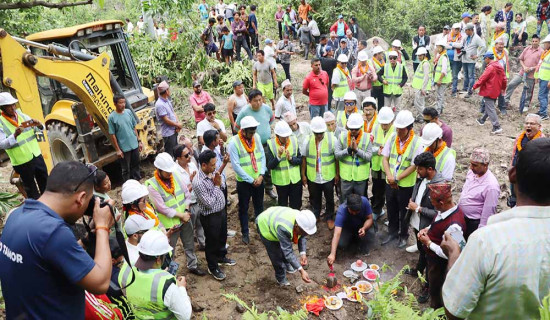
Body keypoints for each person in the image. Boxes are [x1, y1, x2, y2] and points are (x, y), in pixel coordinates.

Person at [442, 138, 550, 320]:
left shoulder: (486, 242)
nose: (471, 168)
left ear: (512, 174)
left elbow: (454, 311)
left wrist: (455, 255)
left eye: (475, 165)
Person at [0, 161, 114, 319]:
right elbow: (100, 283)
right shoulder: (52, 230)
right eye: (88, 202)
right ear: (81, 198)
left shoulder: (17, 216)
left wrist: (89, 239)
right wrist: (103, 227)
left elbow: (50, 257)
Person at [145, 153, 206, 276]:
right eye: (167, 172)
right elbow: (161, 208)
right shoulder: (152, 185)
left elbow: (187, 194)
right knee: (168, 251)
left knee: (189, 244)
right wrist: (181, 215)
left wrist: (186, 211)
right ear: (159, 170)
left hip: (185, 218)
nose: (170, 174)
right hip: (170, 226)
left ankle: (192, 265)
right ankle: (169, 274)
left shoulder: (175, 176)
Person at [118, 230, 192, 319]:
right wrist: (181, 288)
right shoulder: (166, 284)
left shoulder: (125, 269)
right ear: (158, 259)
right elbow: (185, 316)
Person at [403, 152, 445, 303]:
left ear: (430, 169)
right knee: (421, 251)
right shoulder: (422, 178)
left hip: (428, 227)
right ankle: (418, 270)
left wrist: (418, 208)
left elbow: (439, 212)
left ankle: (428, 287)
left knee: (429, 257)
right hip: (417, 223)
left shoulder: (440, 185)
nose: (417, 171)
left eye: (419, 169)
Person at [417, 182, 466, 309]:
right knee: (431, 281)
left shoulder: (455, 226)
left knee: (437, 290)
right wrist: (427, 229)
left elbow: (454, 253)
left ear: (441, 202)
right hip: (432, 260)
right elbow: (437, 221)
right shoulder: (443, 210)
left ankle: (436, 311)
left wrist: (428, 243)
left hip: (440, 264)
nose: (432, 204)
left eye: (433, 202)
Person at [382, 110, 423, 248]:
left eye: (401, 129)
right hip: (390, 182)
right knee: (391, 208)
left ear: (409, 128)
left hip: (405, 185)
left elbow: (414, 165)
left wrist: (397, 178)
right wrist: (389, 176)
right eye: (397, 128)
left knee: (404, 211)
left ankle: (403, 235)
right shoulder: (393, 137)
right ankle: (392, 233)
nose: (398, 131)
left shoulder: (417, 142)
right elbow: (385, 158)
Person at [193, 149, 235, 281]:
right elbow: (209, 203)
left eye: (216, 163)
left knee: (222, 236)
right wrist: (217, 185)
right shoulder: (198, 182)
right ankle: (213, 266)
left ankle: (221, 256)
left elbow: (219, 185)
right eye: (212, 164)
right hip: (210, 216)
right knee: (212, 242)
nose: (215, 167)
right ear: (203, 165)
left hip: (220, 212)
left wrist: (218, 181)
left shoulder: (211, 173)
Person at [0, 92, 48, 200]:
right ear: (3, 108)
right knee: (31, 190)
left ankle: (49, 206)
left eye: (14, 104)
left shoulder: (22, 115)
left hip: (36, 155)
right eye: (9, 106)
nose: (13, 107)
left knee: (45, 183)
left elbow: (39, 129)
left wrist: (39, 125)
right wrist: (15, 135)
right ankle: (37, 211)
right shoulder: (1, 123)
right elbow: (2, 144)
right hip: (22, 162)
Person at [229, 116, 266, 244]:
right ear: (243, 131)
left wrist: (261, 175)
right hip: (245, 183)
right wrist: (251, 180)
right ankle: (245, 232)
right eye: (250, 132)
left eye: (254, 131)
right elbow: (236, 166)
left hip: (259, 180)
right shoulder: (234, 142)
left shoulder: (257, 138)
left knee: (259, 206)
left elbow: (262, 156)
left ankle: (261, 229)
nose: (253, 134)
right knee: (243, 208)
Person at [256, 207, 316, 286]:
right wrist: (301, 270)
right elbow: (288, 252)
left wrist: (303, 253)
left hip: (275, 219)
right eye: (304, 232)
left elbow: (302, 236)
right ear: (297, 226)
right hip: (265, 225)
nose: (306, 234)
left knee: (284, 247)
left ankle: (288, 264)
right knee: (276, 254)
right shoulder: (284, 228)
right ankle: (280, 277)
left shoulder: (301, 220)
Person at [236, 90, 276, 200]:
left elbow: (271, 120)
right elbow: (236, 126)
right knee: (254, 167)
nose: (258, 103)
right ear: (249, 101)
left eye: (260, 100)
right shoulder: (244, 112)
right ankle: (255, 190)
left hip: (265, 143)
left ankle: (269, 188)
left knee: (267, 166)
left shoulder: (266, 108)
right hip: (250, 146)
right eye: (255, 101)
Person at [302, 117, 338, 229]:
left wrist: (337, 174)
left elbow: (337, 159)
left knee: (329, 198)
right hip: (314, 176)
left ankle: (329, 217)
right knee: (315, 198)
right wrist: (303, 175)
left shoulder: (332, 140)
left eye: (321, 133)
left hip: (328, 176)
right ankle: (316, 215)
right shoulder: (307, 141)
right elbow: (304, 159)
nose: (319, 136)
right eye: (317, 133)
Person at [457, 147, 500, 240]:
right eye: (471, 164)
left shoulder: (491, 186)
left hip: (474, 224)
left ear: (486, 165)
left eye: (475, 165)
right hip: (461, 217)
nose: (471, 167)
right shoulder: (471, 173)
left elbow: (488, 214)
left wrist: (480, 234)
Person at [327, 194, 375, 266]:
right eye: (352, 211)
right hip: (348, 228)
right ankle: (352, 239)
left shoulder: (364, 201)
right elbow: (337, 233)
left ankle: (358, 240)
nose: (355, 213)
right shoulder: (341, 211)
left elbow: (370, 218)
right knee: (342, 243)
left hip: (361, 225)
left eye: (357, 211)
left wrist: (364, 228)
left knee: (371, 234)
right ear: (348, 207)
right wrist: (332, 254)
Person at [508, 114, 544, 208]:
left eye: (532, 123)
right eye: (527, 123)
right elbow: (514, 155)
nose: (528, 126)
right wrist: (512, 167)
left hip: (533, 177)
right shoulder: (519, 138)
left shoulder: (543, 142)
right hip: (517, 172)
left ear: (539, 127)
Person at [174, 144, 206, 250]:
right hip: (187, 206)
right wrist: (192, 183)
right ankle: (191, 261)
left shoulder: (192, 164)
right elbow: (180, 194)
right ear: (178, 158)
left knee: (201, 226)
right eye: (186, 155)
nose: (190, 157)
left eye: (190, 153)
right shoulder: (174, 172)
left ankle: (203, 244)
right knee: (188, 233)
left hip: (198, 201)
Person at [335, 113, 373, 201]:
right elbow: (337, 154)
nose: (353, 131)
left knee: (360, 202)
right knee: (345, 201)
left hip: (360, 178)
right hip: (346, 177)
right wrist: (348, 150)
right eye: (351, 129)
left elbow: (369, 157)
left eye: (356, 129)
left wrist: (357, 150)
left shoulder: (367, 138)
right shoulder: (342, 137)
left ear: (360, 127)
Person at [267, 121, 303, 209]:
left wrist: (291, 159)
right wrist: (278, 157)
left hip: (295, 179)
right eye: (283, 137)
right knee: (283, 206)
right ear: (277, 135)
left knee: (296, 204)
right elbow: (270, 165)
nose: (286, 139)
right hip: (281, 182)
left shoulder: (294, 140)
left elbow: (300, 160)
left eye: (287, 136)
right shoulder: (271, 144)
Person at [504, 34, 543, 114]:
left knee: (529, 91)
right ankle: (505, 101)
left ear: (539, 41)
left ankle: (526, 105)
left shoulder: (541, 52)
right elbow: (521, 59)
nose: (534, 43)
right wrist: (524, 66)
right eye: (533, 41)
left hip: (531, 75)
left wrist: (532, 68)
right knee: (511, 84)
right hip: (522, 72)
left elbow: (541, 64)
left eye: (536, 41)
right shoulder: (527, 48)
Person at [369, 106, 395, 224]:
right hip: (376, 164)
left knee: (388, 192)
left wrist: (385, 152)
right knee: (376, 189)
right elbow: (370, 144)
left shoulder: (395, 131)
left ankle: (391, 215)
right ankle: (377, 210)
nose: (384, 126)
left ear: (392, 121)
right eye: (382, 124)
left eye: (386, 124)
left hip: (388, 167)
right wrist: (376, 150)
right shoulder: (375, 127)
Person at [109, 94, 142, 182]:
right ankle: (127, 184)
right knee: (126, 169)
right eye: (120, 103)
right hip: (124, 147)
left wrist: (139, 141)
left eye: (124, 102)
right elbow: (113, 135)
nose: (123, 105)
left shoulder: (128, 112)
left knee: (136, 165)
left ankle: (137, 182)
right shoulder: (112, 117)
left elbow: (134, 127)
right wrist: (118, 150)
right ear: (115, 104)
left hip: (134, 144)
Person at [474, 52, 507, 134]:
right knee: (489, 106)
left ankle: (496, 127)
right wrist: (503, 88)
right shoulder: (499, 66)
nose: (484, 61)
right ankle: (482, 120)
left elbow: (482, 78)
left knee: (490, 108)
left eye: (485, 59)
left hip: (489, 90)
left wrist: (474, 86)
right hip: (496, 90)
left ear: (488, 58)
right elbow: (504, 79)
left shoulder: (490, 67)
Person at [200, 130, 230, 204]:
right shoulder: (207, 156)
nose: (220, 140)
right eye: (218, 139)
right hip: (216, 185)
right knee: (220, 205)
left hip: (222, 181)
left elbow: (221, 157)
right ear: (213, 142)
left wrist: (221, 147)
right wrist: (224, 164)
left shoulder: (214, 148)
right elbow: (214, 175)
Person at [462, 23, 486, 97]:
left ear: (470, 30)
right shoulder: (466, 37)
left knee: (471, 76)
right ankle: (465, 89)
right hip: (464, 58)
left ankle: (470, 91)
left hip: (471, 60)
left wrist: (477, 55)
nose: (465, 32)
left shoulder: (476, 38)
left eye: (466, 30)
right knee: (465, 75)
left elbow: (483, 46)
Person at [411, 47, 432, 119]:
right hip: (418, 86)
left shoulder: (425, 64)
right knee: (421, 103)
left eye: (420, 55)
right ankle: (421, 117)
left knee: (418, 104)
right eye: (418, 55)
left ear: (424, 55)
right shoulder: (422, 63)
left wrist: (423, 88)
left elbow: (426, 76)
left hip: (420, 87)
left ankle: (426, 116)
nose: (418, 57)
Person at [433, 40, 451, 114]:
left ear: (442, 48)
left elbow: (444, 71)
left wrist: (439, 80)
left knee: (440, 96)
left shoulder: (443, 57)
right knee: (441, 95)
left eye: (438, 47)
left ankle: (438, 111)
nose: (437, 49)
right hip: (441, 79)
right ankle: (441, 109)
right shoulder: (440, 56)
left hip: (442, 80)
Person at [447, 24, 464, 97]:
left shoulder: (461, 36)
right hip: (448, 58)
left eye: (458, 29)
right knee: (446, 73)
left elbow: (460, 45)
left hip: (456, 59)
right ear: (452, 29)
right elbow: (445, 45)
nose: (456, 31)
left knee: (455, 75)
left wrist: (451, 44)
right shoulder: (448, 36)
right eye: (455, 29)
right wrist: (454, 45)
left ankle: (454, 91)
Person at [537, 34, 550, 121]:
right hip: (543, 77)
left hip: (547, 79)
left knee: (542, 96)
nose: (544, 45)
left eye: (545, 43)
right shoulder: (545, 53)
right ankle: (542, 111)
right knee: (544, 96)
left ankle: (543, 113)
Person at [321, 46, 338, 110]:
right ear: (328, 52)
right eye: (331, 50)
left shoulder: (321, 59)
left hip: (323, 78)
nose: (333, 51)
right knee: (329, 94)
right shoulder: (333, 61)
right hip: (330, 78)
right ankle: (328, 108)